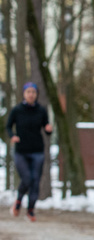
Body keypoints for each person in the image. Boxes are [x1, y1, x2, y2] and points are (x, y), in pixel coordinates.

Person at [6, 82, 52, 221]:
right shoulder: (17, 110)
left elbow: (46, 127)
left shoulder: (41, 110)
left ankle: (30, 210)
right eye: (28, 92)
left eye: (33, 92)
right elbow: (8, 126)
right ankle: (18, 202)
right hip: (21, 151)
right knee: (27, 179)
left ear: (37, 94)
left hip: (37, 150)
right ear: (24, 94)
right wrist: (12, 136)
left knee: (35, 181)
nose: (31, 94)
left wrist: (49, 129)